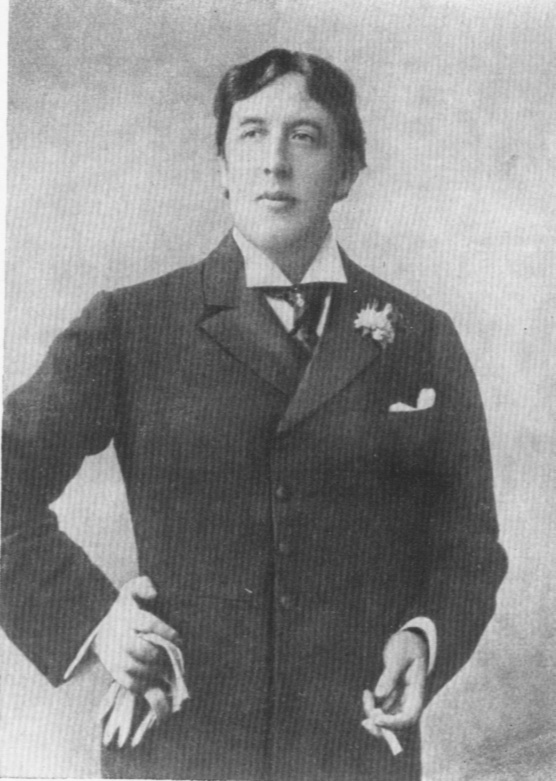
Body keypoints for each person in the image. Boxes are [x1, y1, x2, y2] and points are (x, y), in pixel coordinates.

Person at [1, 48, 507, 781]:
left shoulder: (421, 336)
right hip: (183, 745)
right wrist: (96, 622)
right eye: (251, 133)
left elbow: (470, 544)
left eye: (305, 135)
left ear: (348, 171)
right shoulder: (132, 324)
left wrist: (425, 637)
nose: (275, 161)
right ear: (222, 168)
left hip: (354, 748)